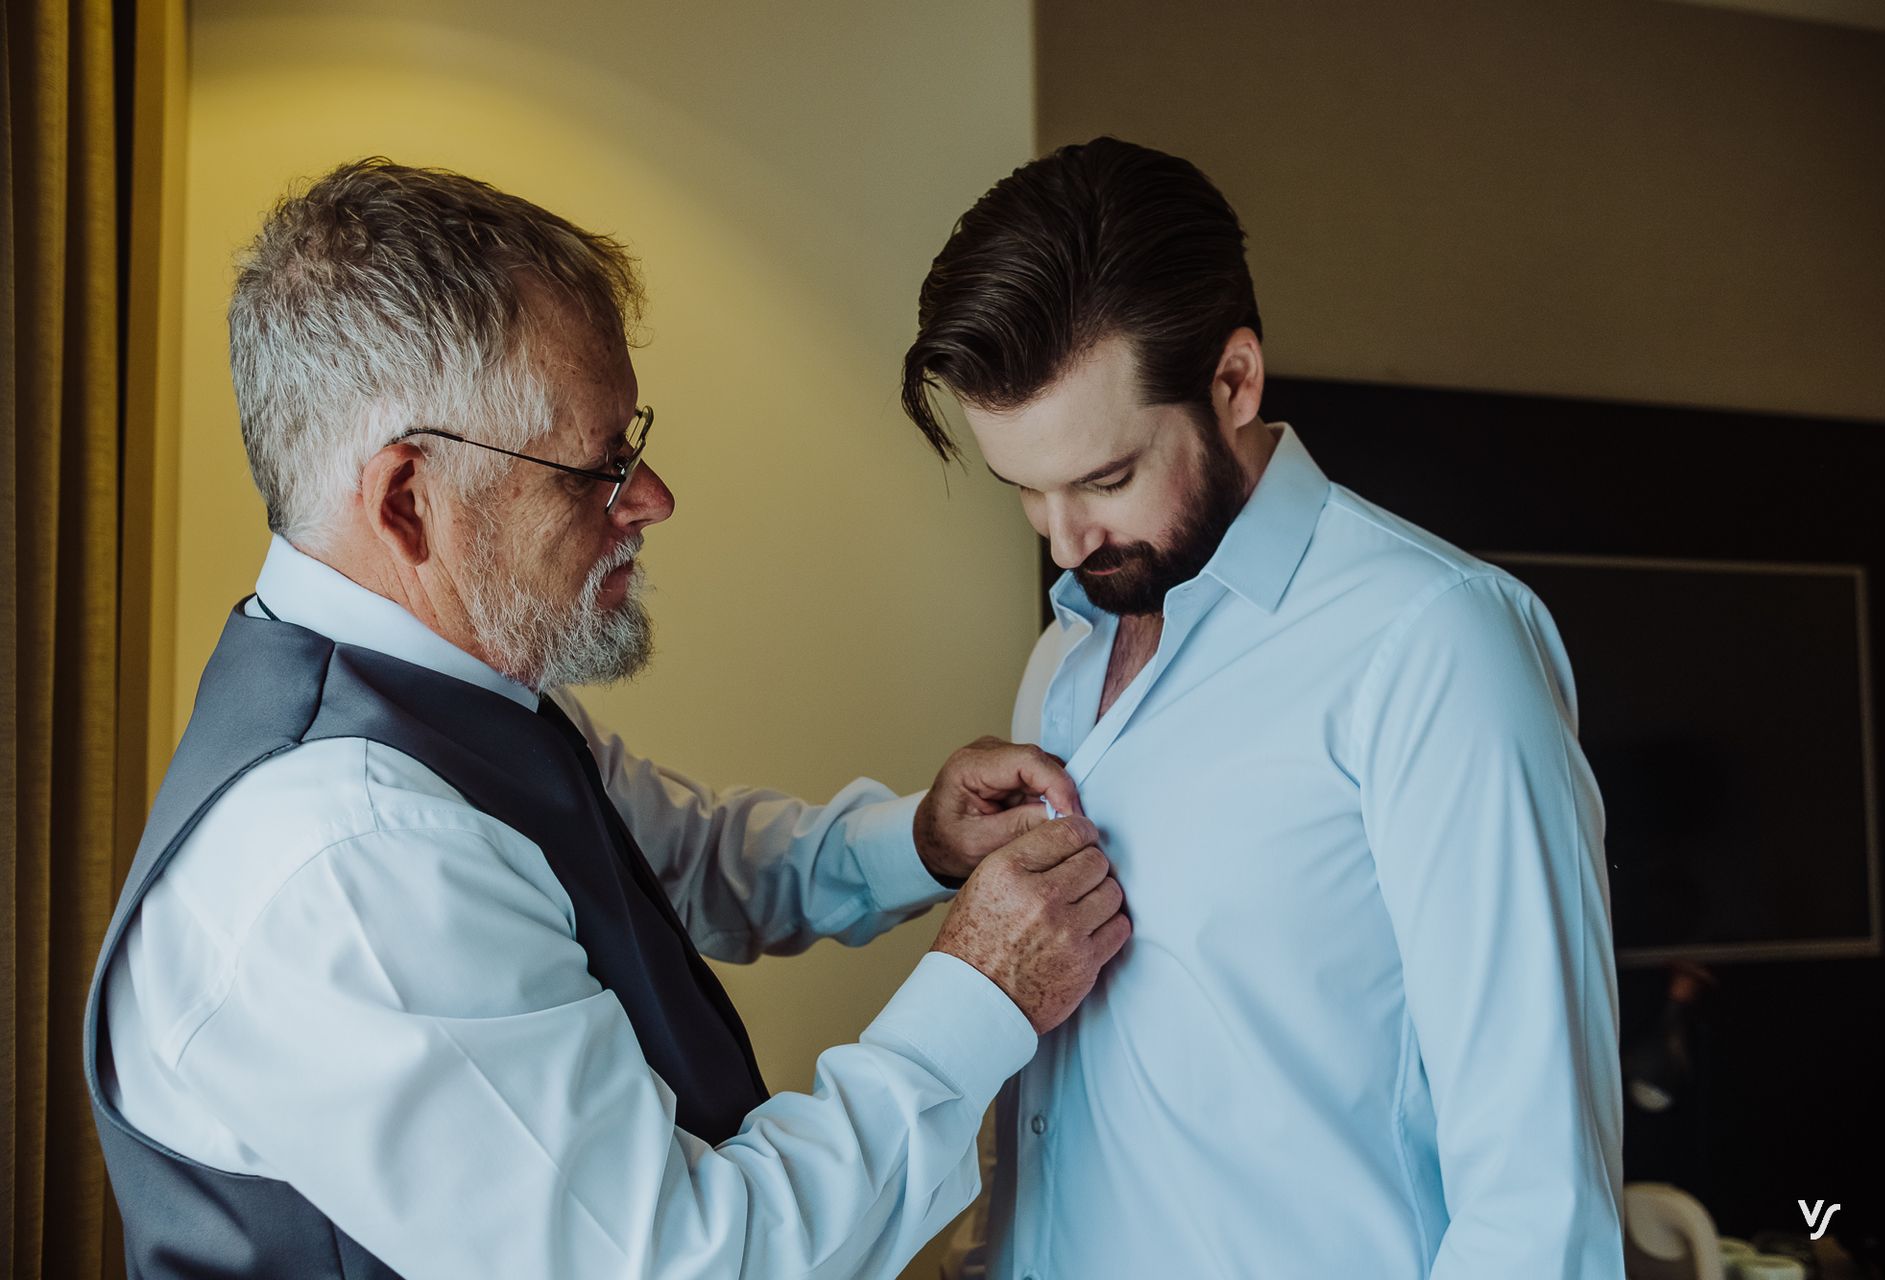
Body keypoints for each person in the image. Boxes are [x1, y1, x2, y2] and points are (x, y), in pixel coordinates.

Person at [84, 159, 1131, 1280]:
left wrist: (917, 841)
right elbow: (690, 1262)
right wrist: (981, 994)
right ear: (407, 503)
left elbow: (668, 863)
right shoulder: (350, 863)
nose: (652, 496)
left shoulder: (452, 691)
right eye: (596, 466)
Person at [903, 137, 1624, 1279]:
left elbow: (1539, 1205)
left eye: (1103, 478)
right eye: (1025, 490)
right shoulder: (1064, 658)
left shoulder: (1433, 646)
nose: (1063, 538)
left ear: (1234, 381)